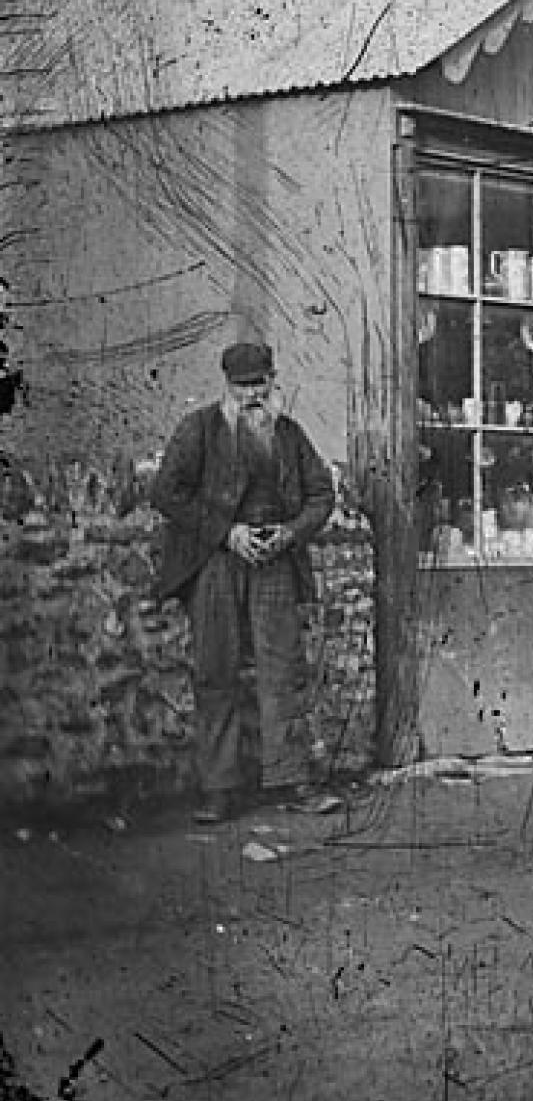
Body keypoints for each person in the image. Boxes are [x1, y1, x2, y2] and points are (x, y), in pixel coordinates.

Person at [152, 342, 336, 821]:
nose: (253, 395)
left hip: (274, 562)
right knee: (216, 671)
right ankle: (218, 789)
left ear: (273, 381)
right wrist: (226, 532)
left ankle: (292, 781)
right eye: (243, 386)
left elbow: (322, 494)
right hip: (216, 562)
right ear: (227, 385)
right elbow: (166, 492)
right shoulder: (198, 430)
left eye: (260, 384)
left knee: (283, 670)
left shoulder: (290, 435)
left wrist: (290, 533)